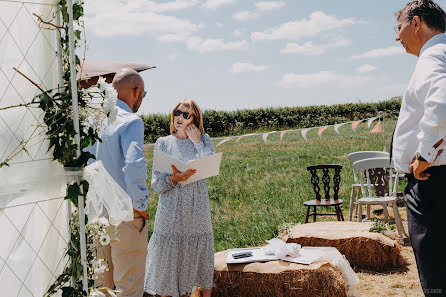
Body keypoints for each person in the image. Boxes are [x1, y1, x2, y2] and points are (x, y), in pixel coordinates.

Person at [393, 1, 446, 296]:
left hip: (432, 182)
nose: (397, 37)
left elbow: (442, 102)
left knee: (436, 269)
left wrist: (425, 157)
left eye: (398, 28)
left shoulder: (433, 56)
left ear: (416, 23)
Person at [144, 99, 215, 297]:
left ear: (194, 119)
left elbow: (211, 166)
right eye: (177, 112)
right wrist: (174, 178)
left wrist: (198, 142)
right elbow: (157, 184)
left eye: (186, 114)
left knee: (200, 256)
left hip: (197, 209)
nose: (179, 118)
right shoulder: (163, 143)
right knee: (168, 265)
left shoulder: (205, 140)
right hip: (171, 210)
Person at [91, 68, 150, 297]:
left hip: (96, 215)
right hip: (125, 214)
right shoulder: (131, 121)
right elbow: (135, 165)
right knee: (129, 288)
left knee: (101, 289)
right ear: (136, 92)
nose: (141, 101)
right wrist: (140, 207)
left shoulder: (94, 122)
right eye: (143, 95)